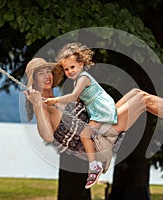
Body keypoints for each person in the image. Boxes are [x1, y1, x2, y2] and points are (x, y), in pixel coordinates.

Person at [23, 52, 163, 189]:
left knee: (137, 93)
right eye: (40, 73)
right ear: (34, 80)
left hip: (99, 127)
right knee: (142, 100)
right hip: (96, 142)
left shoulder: (53, 98)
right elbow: (47, 135)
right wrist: (38, 106)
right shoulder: (42, 105)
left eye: (48, 71)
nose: (47, 75)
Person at [44, 43, 118, 189]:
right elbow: (77, 101)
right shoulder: (77, 80)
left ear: (81, 64)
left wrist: (55, 100)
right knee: (89, 133)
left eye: (72, 67)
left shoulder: (83, 78)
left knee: (85, 135)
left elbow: (73, 96)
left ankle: (94, 166)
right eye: (66, 69)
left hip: (102, 109)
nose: (69, 71)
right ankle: (97, 160)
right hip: (97, 110)